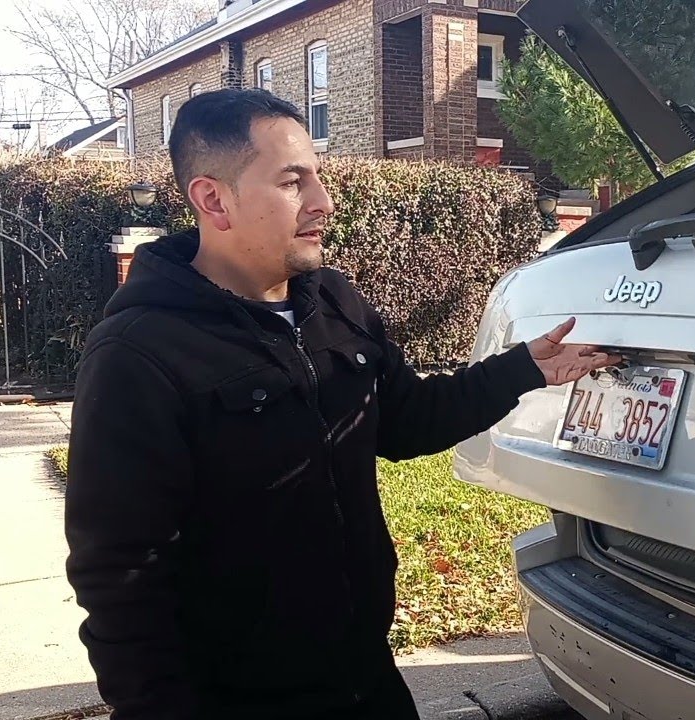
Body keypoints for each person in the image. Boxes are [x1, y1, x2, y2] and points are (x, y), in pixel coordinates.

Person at [64, 88, 619, 720]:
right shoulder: (140, 353)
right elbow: (120, 573)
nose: (323, 202)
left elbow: (407, 420)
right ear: (213, 200)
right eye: (291, 182)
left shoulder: (331, 301)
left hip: (367, 679)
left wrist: (521, 369)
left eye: (317, 176)